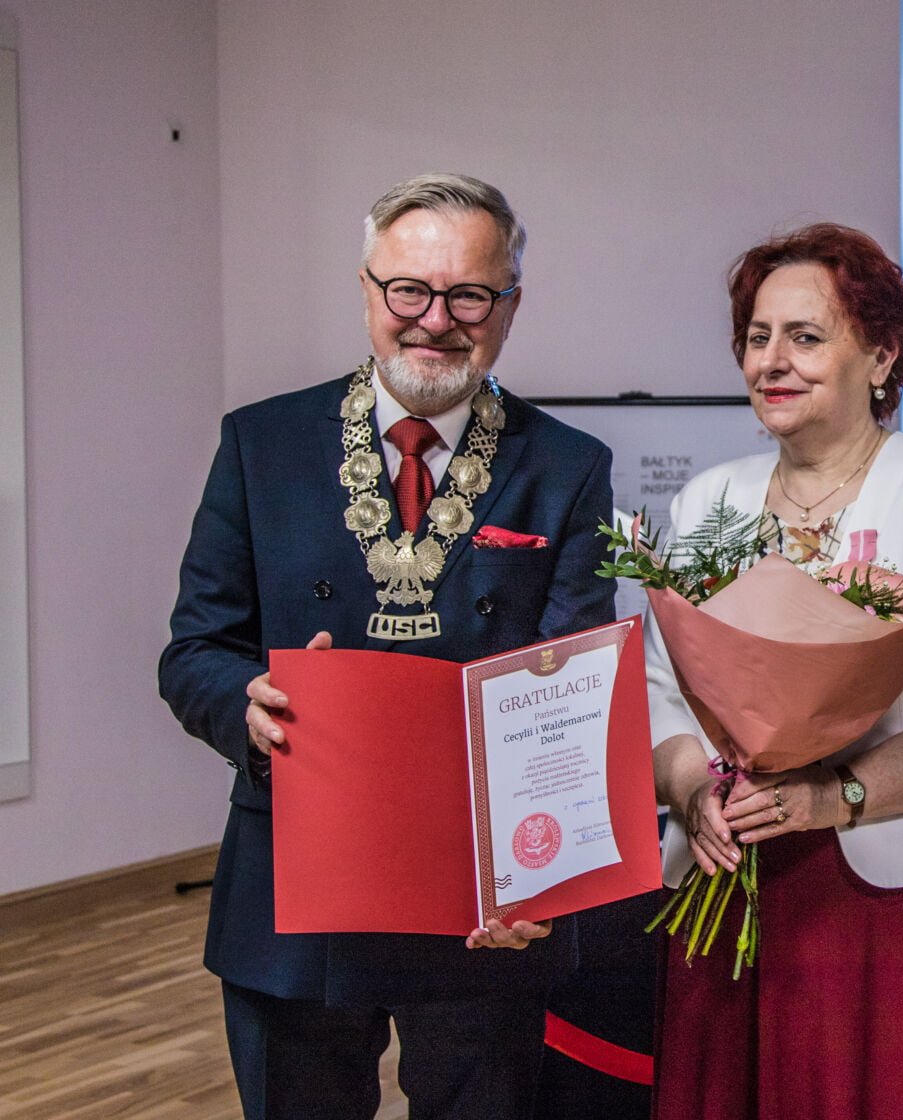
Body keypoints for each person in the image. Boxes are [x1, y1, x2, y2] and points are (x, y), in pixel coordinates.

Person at [159, 173, 615, 1119]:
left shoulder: (568, 465)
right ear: (367, 289)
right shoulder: (260, 443)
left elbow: (573, 688)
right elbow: (195, 649)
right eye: (409, 289)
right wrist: (245, 707)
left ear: (510, 305)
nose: (434, 320)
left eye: (469, 295)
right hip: (295, 885)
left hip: (485, 895)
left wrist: (542, 879)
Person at [646, 223, 903, 1120]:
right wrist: (692, 791)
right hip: (735, 870)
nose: (771, 361)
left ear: (882, 355)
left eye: (805, 336)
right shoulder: (708, 499)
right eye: (757, 337)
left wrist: (838, 796)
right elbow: (661, 687)